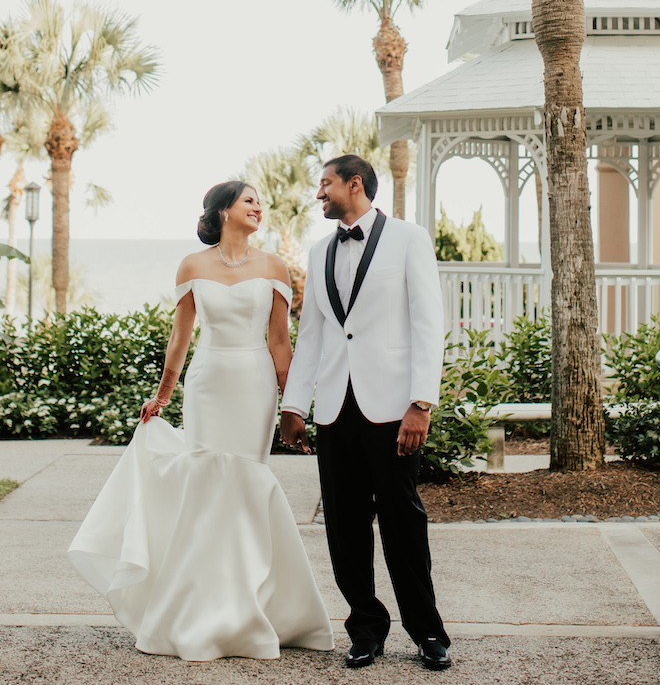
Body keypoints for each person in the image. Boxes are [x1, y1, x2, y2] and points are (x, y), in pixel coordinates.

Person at [68, 181, 334, 662]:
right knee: (207, 484)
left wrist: (292, 406)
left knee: (246, 484)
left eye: (260, 201)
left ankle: (255, 607)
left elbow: (280, 343)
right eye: (249, 200)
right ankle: (195, 608)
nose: (258, 207)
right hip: (208, 383)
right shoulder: (193, 266)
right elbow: (181, 337)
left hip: (253, 385)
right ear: (224, 211)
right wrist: (163, 394)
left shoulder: (274, 266)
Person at [280, 155, 451, 671]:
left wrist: (420, 403)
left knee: (403, 521)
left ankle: (427, 632)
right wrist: (294, 405)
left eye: (325, 184)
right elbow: (312, 333)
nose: (319, 194)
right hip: (335, 409)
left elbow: (427, 322)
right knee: (344, 525)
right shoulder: (319, 250)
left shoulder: (408, 238)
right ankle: (365, 628)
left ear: (355, 184)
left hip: (393, 407)